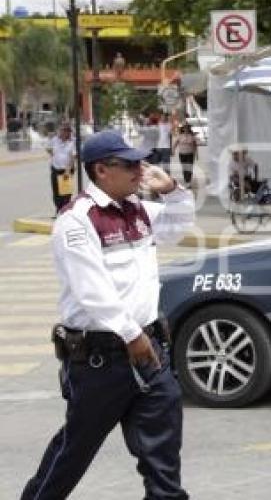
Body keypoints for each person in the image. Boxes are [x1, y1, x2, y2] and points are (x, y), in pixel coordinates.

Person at [21, 131, 194, 500]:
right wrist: (131, 334)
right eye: (128, 164)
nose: (139, 170)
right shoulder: (78, 219)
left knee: (163, 460)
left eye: (139, 163)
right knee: (74, 452)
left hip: (149, 348)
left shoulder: (139, 210)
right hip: (102, 358)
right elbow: (92, 289)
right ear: (101, 170)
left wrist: (172, 190)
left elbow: (178, 227)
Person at [46, 124, 76, 214]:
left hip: (66, 170)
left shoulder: (72, 142)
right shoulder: (55, 140)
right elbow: (48, 148)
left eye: (67, 131)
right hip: (55, 169)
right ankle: (59, 209)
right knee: (56, 192)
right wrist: (53, 155)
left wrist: (68, 170)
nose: (65, 132)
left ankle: (64, 211)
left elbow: (73, 157)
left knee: (66, 193)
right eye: (63, 130)